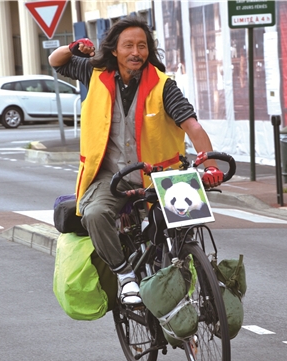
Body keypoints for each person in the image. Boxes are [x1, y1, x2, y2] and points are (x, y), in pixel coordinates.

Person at [49, 16, 224, 305]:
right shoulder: (93, 72)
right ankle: (125, 274)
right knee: (94, 215)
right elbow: (55, 61)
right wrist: (73, 47)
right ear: (114, 50)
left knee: (186, 233)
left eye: (142, 46)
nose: (136, 52)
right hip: (111, 176)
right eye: (128, 45)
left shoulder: (163, 85)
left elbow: (192, 125)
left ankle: (207, 295)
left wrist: (210, 165)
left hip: (164, 176)